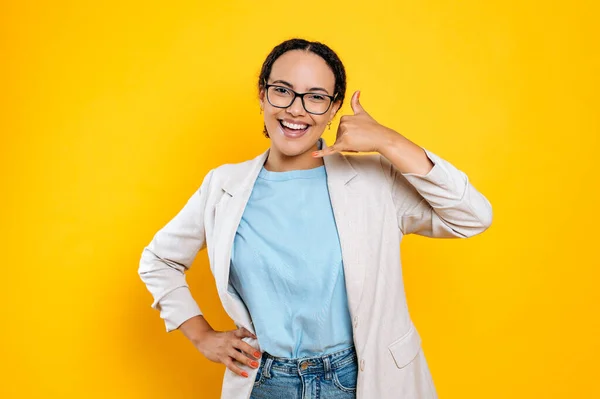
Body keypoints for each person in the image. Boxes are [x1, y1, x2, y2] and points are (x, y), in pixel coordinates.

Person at [138, 38, 493, 399]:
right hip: (266, 381)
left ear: (334, 107)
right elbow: (158, 260)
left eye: (316, 97)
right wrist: (201, 335)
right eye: (282, 91)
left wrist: (389, 141)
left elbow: (472, 216)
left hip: (363, 379)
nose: (296, 110)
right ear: (262, 95)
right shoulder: (223, 186)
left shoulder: (373, 180)